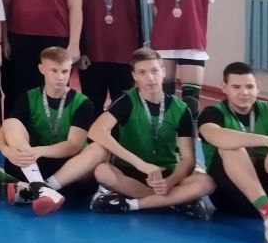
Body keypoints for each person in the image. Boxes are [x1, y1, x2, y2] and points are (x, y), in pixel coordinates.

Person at [87, 47, 214, 217]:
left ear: (163, 71)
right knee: (102, 172)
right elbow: (96, 131)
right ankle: (176, 201)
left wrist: (170, 182)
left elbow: (188, 159)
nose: (150, 78)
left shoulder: (181, 109)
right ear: (134, 76)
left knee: (206, 183)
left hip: (166, 173)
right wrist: (140, 164)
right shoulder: (126, 100)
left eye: (154, 71)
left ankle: (133, 203)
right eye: (142, 72)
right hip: (130, 170)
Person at [0, 47, 101, 214]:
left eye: (65, 71)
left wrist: (39, 150)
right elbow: (5, 129)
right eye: (54, 71)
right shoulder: (28, 97)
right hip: (35, 164)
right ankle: (42, 187)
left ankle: (37, 189)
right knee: (11, 123)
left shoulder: (83, 103)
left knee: (98, 150)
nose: (60, 77)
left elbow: (73, 146)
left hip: (69, 167)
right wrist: (6, 150)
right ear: (42, 69)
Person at [197, 62, 268, 243]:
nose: (244, 92)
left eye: (249, 86)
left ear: (258, 87)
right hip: (232, 198)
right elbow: (216, 136)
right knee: (230, 146)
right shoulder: (212, 114)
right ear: (224, 88)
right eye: (236, 87)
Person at [143, 0, 213, 117]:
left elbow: (203, 10)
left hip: (193, 40)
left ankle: (188, 134)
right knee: (164, 98)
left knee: (191, 101)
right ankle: (166, 133)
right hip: (164, 40)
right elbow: (156, 10)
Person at [78, 0, 141, 112]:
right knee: (92, 104)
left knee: (122, 106)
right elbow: (77, 19)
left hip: (124, 56)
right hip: (92, 56)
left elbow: (138, 22)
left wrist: (138, 56)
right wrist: (81, 51)